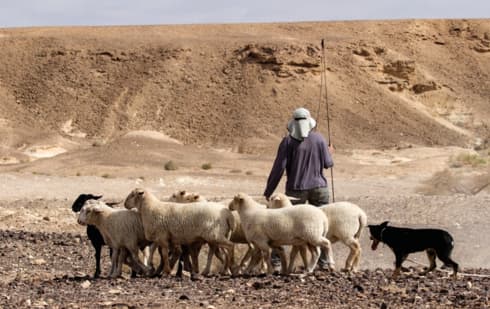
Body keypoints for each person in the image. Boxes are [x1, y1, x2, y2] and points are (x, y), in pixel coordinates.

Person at [263, 107, 334, 269]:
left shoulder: (287, 142)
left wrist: (269, 190)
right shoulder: (319, 139)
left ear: (293, 123)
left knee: (283, 225)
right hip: (320, 188)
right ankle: (324, 262)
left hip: (296, 190)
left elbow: (278, 169)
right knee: (322, 225)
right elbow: (328, 164)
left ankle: (276, 262)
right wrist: (329, 152)